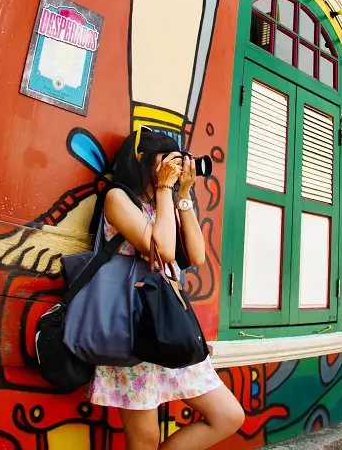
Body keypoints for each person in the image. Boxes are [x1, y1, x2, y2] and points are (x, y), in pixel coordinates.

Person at [89, 129, 245, 450]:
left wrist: (182, 195)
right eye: (168, 162)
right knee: (145, 441)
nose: (175, 170)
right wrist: (163, 189)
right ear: (144, 162)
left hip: (169, 329)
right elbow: (165, 249)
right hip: (133, 331)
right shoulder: (118, 199)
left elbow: (197, 256)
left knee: (229, 415)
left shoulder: (166, 206)